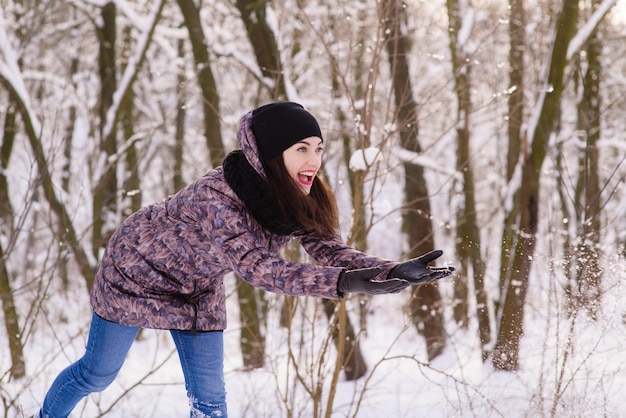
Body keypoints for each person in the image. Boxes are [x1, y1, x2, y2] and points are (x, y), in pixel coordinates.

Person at [36, 101, 454, 418]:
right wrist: (344, 283)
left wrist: (390, 270)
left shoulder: (293, 193)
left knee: (211, 400)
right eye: (302, 149)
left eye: (319, 149)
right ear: (273, 154)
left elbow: (330, 250)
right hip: (134, 274)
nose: (314, 161)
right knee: (97, 375)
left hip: (197, 288)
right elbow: (261, 270)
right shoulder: (217, 197)